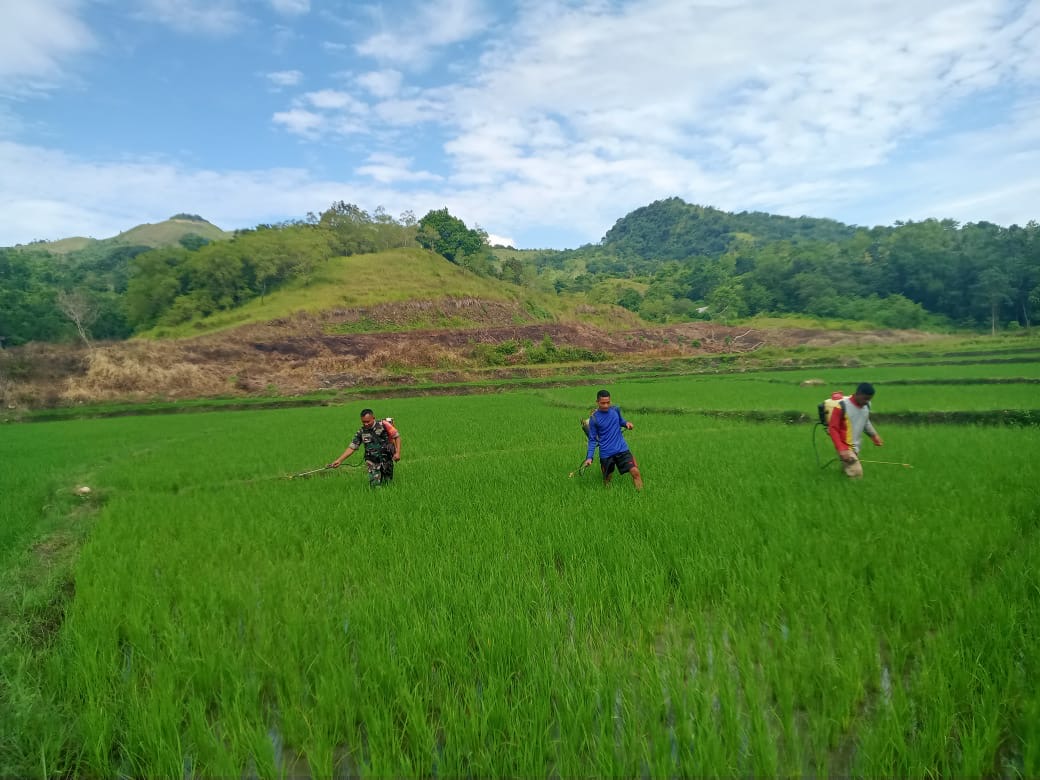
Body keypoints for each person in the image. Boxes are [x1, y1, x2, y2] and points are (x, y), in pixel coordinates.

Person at [582, 389, 643, 490]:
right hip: (606, 453)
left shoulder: (615, 409)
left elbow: (620, 421)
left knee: (635, 472)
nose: (606, 405)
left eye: (608, 402)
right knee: (607, 479)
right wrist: (589, 457)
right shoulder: (594, 419)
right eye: (603, 403)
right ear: (597, 402)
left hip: (622, 449)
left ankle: (641, 495)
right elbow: (592, 440)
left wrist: (626, 423)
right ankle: (608, 497)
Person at [328, 409, 401, 487]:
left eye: (368, 421)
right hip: (372, 462)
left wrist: (397, 453)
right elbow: (352, 447)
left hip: (386, 460)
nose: (366, 424)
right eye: (363, 422)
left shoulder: (384, 424)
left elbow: (397, 437)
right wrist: (339, 460)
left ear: (373, 418)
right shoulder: (361, 432)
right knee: (375, 486)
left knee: (388, 484)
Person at [828, 382, 884, 478]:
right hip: (845, 446)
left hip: (856, 445)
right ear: (857, 394)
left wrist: (874, 436)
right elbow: (833, 429)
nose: (867, 401)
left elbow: (865, 421)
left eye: (869, 399)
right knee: (856, 473)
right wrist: (841, 449)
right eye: (865, 398)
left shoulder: (866, 405)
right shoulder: (841, 406)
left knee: (847, 472)